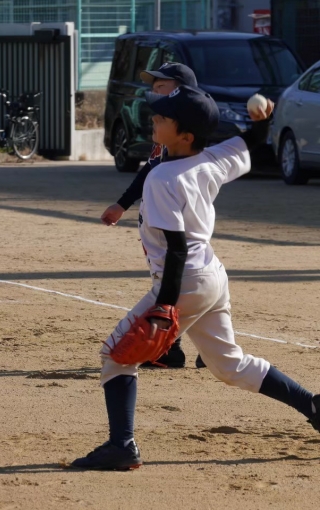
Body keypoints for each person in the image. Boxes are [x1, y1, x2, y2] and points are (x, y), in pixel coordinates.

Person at [71, 86, 319, 470]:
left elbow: (176, 247)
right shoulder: (212, 158)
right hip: (211, 277)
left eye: (163, 118)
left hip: (183, 280)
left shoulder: (162, 178)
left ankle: (121, 446)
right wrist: (262, 123)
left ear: (185, 135)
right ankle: (313, 405)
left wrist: (164, 306)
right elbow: (247, 143)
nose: (154, 119)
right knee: (229, 365)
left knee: (116, 357)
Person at [100, 62, 204, 369]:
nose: (154, 90)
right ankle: (194, 349)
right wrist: (123, 204)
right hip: (159, 218)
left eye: (162, 85)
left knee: (184, 279)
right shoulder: (166, 127)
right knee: (184, 281)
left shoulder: (187, 131)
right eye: (154, 86)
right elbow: (149, 169)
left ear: (182, 91)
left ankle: (173, 348)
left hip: (177, 220)